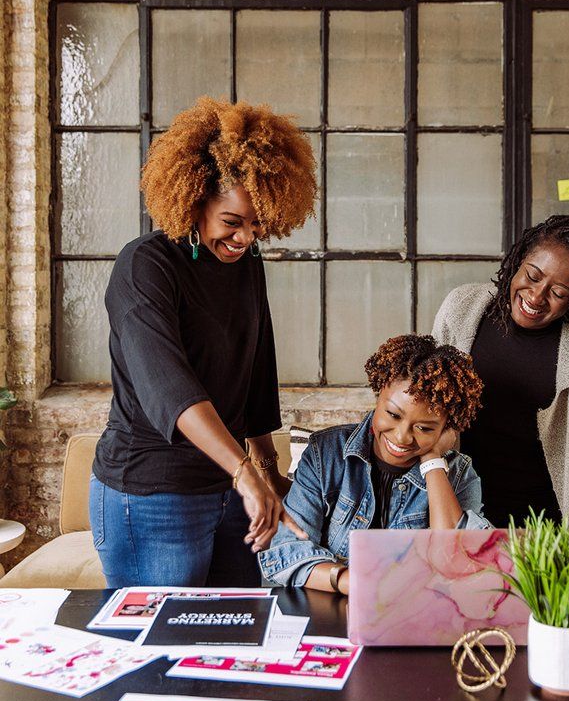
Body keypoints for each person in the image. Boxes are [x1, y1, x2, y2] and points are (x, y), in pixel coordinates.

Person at [90, 97, 317, 588]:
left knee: (240, 625)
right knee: (159, 635)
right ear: (195, 202)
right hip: (152, 493)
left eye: (256, 225)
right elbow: (168, 387)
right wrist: (243, 473)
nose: (245, 238)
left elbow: (255, 372)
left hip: (229, 487)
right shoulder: (145, 266)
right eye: (231, 222)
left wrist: (266, 469)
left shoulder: (246, 264)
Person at [432, 213, 569, 544]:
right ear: (518, 261)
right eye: (533, 276)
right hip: (458, 519)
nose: (537, 297)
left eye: (559, 292)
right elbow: (425, 407)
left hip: (543, 534)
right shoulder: (463, 308)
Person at [259, 334, 490, 594]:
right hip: (332, 606)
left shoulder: (459, 476)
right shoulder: (325, 454)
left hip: (413, 613)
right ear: (379, 395)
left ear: (447, 429)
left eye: (425, 428)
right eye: (393, 414)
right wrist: (357, 583)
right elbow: (287, 551)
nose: (402, 437)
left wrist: (433, 459)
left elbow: (460, 565)